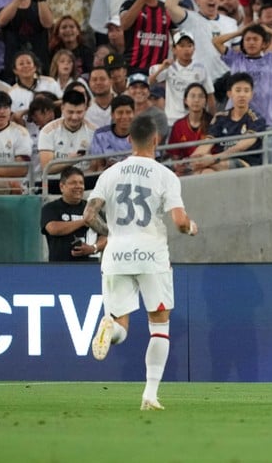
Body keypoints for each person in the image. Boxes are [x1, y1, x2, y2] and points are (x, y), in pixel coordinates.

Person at [85, 113, 198, 411]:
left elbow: (88, 214)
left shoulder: (109, 174)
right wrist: (191, 226)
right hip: (151, 256)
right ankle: (150, 394)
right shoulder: (165, 175)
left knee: (121, 325)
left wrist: (113, 234)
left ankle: (110, 326)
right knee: (159, 325)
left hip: (116, 254)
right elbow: (178, 221)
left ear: (129, 139)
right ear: (157, 139)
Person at [189, 72, 266, 172]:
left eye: (246, 91)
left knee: (211, 166)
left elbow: (240, 147)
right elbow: (207, 142)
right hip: (219, 161)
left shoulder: (256, 118)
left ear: (251, 94)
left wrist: (213, 159)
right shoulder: (220, 117)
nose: (242, 95)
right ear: (229, 94)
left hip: (246, 163)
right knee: (204, 170)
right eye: (238, 90)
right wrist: (194, 159)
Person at [40, 165, 106, 262]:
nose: (78, 186)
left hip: (92, 268)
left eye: (81, 183)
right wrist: (84, 221)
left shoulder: (93, 208)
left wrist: (93, 248)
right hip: (60, 267)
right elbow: (53, 228)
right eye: (73, 183)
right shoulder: (51, 208)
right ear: (62, 186)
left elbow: (106, 235)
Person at [89, 94, 136, 172]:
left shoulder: (142, 134)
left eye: (128, 112)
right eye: (120, 113)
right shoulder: (100, 135)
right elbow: (98, 165)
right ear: (112, 115)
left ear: (134, 113)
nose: (124, 117)